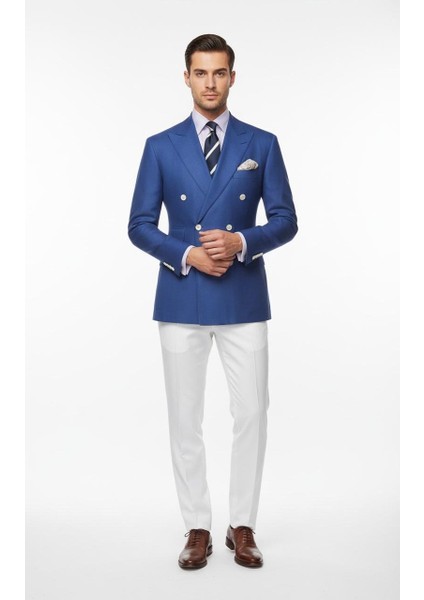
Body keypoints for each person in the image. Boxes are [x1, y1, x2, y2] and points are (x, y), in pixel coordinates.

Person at [128, 33, 298, 570]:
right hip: (181, 296)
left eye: (219, 72)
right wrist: (188, 254)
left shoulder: (261, 143)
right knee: (185, 417)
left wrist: (241, 241)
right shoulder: (160, 145)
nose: (209, 82)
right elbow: (138, 225)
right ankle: (197, 525)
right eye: (200, 73)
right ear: (186, 77)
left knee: (252, 412)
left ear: (232, 77)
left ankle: (241, 524)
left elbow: (286, 220)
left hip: (243, 296)